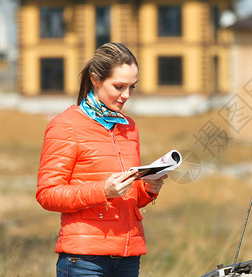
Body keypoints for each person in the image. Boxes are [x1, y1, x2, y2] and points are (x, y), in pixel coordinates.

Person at [37, 42, 167, 277]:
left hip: (128, 257)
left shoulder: (129, 127)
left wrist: (148, 189)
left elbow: (130, 198)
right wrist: (103, 190)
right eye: (119, 86)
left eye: (132, 87)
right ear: (96, 79)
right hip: (85, 260)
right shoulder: (65, 125)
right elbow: (47, 194)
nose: (126, 95)